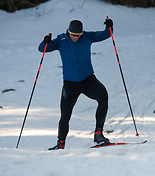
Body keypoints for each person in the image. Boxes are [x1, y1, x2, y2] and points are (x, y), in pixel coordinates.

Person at [38, 18, 113, 150]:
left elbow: (106, 34)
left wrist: (109, 27)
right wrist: (45, 42)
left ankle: (98, 134)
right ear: (68, 31)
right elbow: (42, 49)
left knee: (103, 97)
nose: (76, 37)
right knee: (65, 115)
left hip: (88, 80)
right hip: (70, 84)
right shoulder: (61, 40)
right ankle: (60, 143)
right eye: (73, 35)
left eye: (78, 35)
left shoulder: (87, 37)